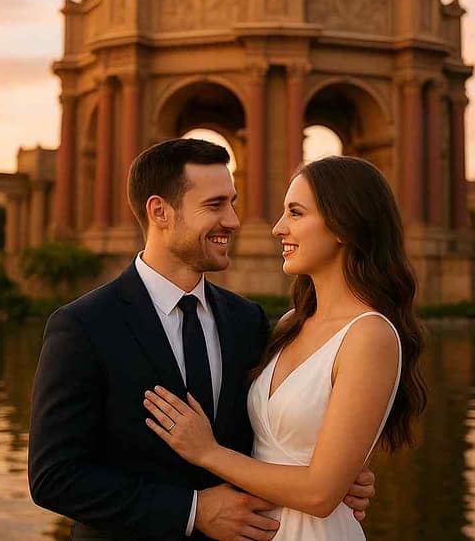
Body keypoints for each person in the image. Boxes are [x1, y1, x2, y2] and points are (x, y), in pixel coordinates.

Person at [28, 139, 375, 540]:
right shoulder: (83, 326)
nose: (233, 220)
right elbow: (54, 477)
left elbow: (270, 430)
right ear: (160, 211)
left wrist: (336, 474)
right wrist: (192, 511)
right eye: (214, 205)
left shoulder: (247, 320)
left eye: (233, 202)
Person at [143, 155, 427, 539]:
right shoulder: (290, 322)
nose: (277, 229)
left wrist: (207, 452)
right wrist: (347, 472)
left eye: (295, 213)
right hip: (256, 528)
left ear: (344, 225)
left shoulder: (370, 335)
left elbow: (320, 493)